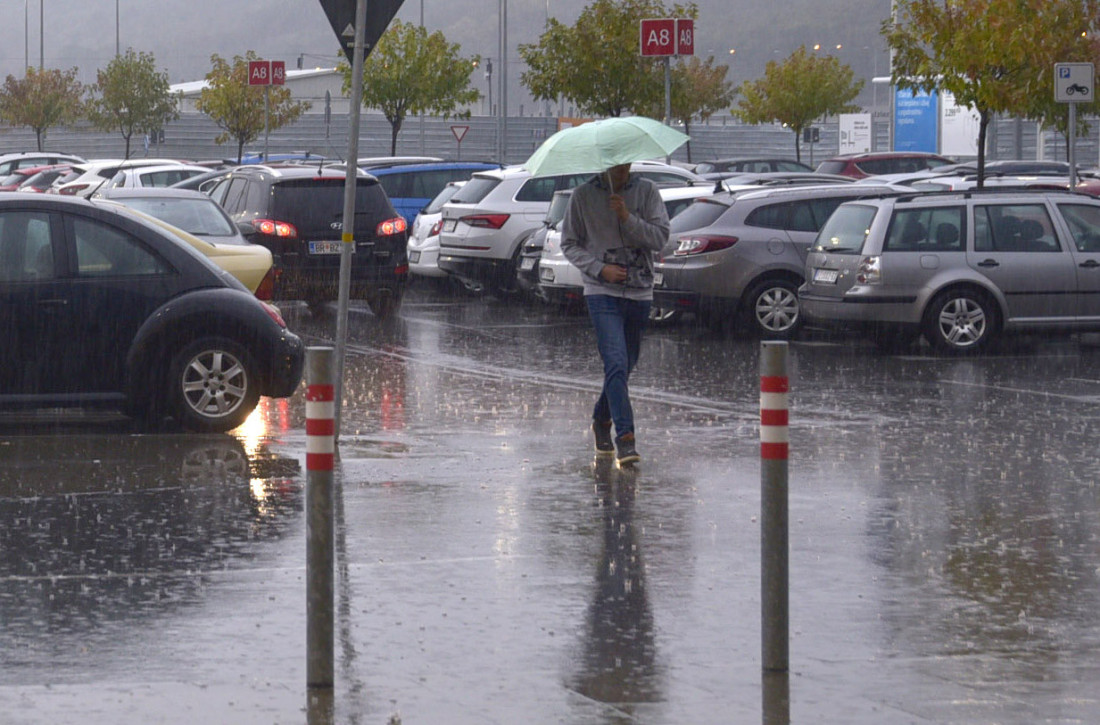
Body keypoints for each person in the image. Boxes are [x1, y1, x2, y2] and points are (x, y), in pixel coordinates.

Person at [560, 162, 670, 466]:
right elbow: (569, 243)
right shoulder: (582, 196)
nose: (622, 170)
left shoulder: (646, 191)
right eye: (614, 166)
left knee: (625, 366)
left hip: (639, 292)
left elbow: (660, 238)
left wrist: (627, 218)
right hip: (601, 293)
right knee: (616, 361)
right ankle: (625, 439)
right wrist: (600, 269)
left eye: (626, 164)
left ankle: (601, 418)